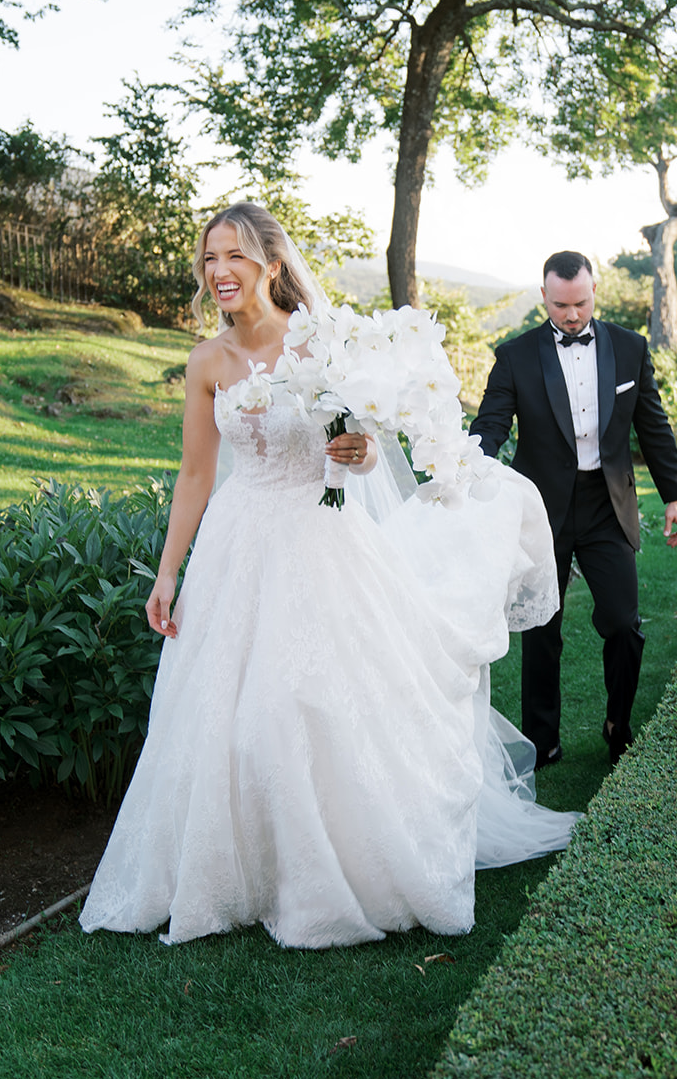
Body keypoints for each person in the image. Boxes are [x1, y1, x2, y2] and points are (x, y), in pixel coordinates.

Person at [80, 203, 577, 950]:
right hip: (237, 544)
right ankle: (233, 874)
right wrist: (167, 571)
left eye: (236, 257)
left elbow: (365, 448)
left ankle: (335, 872)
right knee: (224, 716)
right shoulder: (206, 362)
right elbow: (193, 474)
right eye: (210, 258)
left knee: (304, 702)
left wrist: (357, 455)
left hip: (320, 539)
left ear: (271, 265)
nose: (219, 271)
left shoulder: (321, 346)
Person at [470, 250, 677, 768]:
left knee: (622, 621)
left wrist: (675, 496)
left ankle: (618, 723)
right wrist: (467, 467)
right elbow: (492, 424)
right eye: (561, 305)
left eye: (581, 303)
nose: (572, 315)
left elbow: (652, 426)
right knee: (541, 628)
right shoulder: (516, 355)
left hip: (607, 505)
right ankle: (541, 740)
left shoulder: (630, 349)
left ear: (596, 292)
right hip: (540, 508)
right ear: (542, 296)